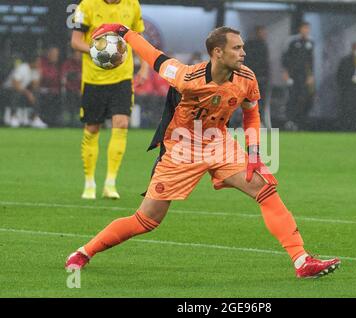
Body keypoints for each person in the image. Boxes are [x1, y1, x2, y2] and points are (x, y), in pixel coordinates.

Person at [65, 24, 340, 279]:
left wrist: (254, 154)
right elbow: (155, 57)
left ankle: (301, 260)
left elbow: (251, 116)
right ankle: (84, 252)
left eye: (243, 47)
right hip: (181, 149)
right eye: (237, 48)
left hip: (218, 142)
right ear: (217, 52)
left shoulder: (247, 78)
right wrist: (124, 32)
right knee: (146, 220)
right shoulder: (187, 77)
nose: (243, 52)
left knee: (265, 190)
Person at [71, 0, 149, 199]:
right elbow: (76, 41)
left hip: (122, 78)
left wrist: (145, 65)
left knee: (121, 123)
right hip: (93, 79)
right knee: (92, 128)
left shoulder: (132, 4)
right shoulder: (86, 5)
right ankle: (89, 183)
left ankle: (110, 183)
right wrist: (100, 51)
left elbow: (138, 37)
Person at [281, 22, 315, 130]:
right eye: (304, 28)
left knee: (305, 98)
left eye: (308, 28)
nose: (306, 30)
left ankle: (300, 121)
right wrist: (286, 72)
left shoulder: (310, 42)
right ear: (300, 29)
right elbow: (285, 57)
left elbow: (311, 61)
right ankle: (290, 121)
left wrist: (311, 75)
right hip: (293, 75)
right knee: (292, 97)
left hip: (304, 76)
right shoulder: (292, 41)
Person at [2, 54, 47, 128]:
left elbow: (34, 86)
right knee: (15, 93)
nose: (39, 64)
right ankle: (13, 117)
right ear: (33, 62)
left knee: (37, 93)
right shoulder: (22, 68)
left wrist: (39, 75)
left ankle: (35, 118)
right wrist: (28, 93)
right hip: (7, 90)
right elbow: (15, 84)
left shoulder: (35, 70)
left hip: (22, 91)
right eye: (38, 62)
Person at [336, 41, 356, 131]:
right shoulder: (345, 61)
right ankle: (345, 128)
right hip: (347, 92)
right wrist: (350, 80)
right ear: (353, 49)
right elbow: (340, 76)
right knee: (346, 112)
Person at [244, 26, 270, 119]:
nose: (264, 34)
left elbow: (266, 63)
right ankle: (247, 120)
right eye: (262, 32)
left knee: (260, 100)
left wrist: (267, 76)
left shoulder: (264, 45)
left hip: (262, 78)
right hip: (251, 78)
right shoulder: (249, 45)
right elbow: (246, 61)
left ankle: (259, 120)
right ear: (257, 32)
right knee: (249, 100)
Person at [38, 46, 61, 127]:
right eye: (53, 54)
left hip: (55, 91)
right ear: (48, 54)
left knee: (57, 97)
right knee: (49, 96)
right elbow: (43, 77)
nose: (55, 56)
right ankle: (45, 120)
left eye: (56, 55)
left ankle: (55, 121)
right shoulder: (42, 63)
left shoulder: (57, 66)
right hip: (42, 90)